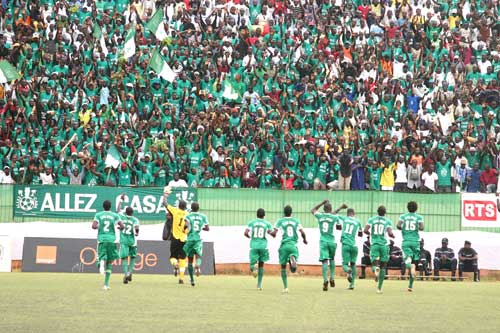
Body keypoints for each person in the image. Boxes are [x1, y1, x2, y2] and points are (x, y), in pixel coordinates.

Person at [311, 200, 348, 291]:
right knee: (332, 259)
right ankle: (332, 277)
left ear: (323, 209)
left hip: (323, 241)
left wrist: (322, 202)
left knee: (324, 261)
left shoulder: (320, 216)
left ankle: (325, 280)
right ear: (331, 209)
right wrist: (340, 207)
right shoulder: (334, 217)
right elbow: (335, 218)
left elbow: (313, 210)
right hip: (332, 241)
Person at [271, 205, 308, 293]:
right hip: (293, 246)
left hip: (284, 246)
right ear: (291, 212)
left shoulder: (280, 221)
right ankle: (292, 258)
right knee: (293, 269)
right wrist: (304, 239)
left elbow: (274, 234)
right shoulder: (296, 221)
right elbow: (302, 232)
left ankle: (286, 287)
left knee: (283, 267)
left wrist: (270, 233)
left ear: (284, 212)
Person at [92, 200, 124, 290]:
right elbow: (122, 226)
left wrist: (99, 226)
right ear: (110, 207)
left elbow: (93, 226)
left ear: (103, 206)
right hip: (112, 239)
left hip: (102, 239)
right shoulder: (115, 215)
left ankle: (101, 262)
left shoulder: (98, 215)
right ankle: (106, 285)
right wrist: (118, 227)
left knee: (99, 257)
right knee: (110, 262)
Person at [364, 205, 395, 294]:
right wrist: (392, 235)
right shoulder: (387, 221)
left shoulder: (371, 220)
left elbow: (365, 230)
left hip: (374, 244)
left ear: (377, 212)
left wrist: (371, 234)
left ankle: (375, 269)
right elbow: (389, 233)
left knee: (374, 263)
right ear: (385, 213)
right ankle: (379, 288)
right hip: (384, 245)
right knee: (383, 266)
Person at [163, 187, 189, 284]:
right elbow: (187, 225)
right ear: (185, 207)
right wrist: (186, 230)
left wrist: (165, 195)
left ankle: (175, 264)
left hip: (175, 238)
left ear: (178, 205)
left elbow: (164, 204)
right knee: (182, 258)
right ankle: (181, 278)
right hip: (184, 239)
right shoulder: (187, 214)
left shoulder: (175, 211)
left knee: (173, 257)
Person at [244, 208, 275, 290]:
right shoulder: (267, 224)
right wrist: (270, 233)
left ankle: (254, 268)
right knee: (261, 265)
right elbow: (273, 235)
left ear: (256, 214)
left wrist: (250, 237)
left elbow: (245, 233)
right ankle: (259, 285)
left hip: (254, 246)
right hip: (263, 247)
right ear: (264, 215)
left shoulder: (252, 223)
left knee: (252, 266)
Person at [397, 201, 424, 291]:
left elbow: (398, 225)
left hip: (406, 242)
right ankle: (410, 286)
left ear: (407, 207)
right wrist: (417, 227)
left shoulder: (403, 216)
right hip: (416, 242)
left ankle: (411, 268)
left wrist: (403, 228)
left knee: (408, 263)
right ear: (416, 208)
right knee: (414, 263)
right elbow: (422, 227)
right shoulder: (419, 217)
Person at [183, 202, 209, 287]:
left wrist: (184, 230)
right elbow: (207, 228)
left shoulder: (188, 216)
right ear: (198, 208)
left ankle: (192, 280)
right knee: (198, 256)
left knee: (190, 260)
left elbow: (186, 226)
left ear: (191, 208)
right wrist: (201, 227)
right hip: (198, 239)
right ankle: (197, 265)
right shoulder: (203, 216)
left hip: (190, 239)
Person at [337, 208, 363, 290]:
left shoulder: (345, 218)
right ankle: (352, 285)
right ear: (353, 213)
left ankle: (348, 271)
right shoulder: (358, 221)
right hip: (354, 246)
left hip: (345, 244)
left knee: (345, 264)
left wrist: (340, 207)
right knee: (353, 264)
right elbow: (360, 234)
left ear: (347, 213)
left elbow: (334, 213)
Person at [117, 195, 140, 284]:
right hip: (132, 241)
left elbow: (118, 210)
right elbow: (136, 228)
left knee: (124, 258)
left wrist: (120, 201)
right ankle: (130, 272)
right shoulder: (135, 219)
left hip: (124, 241)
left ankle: (126, 273)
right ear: (132, 212)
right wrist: (137, 232)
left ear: (125, 212)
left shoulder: (122, 217)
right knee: (133, 257)